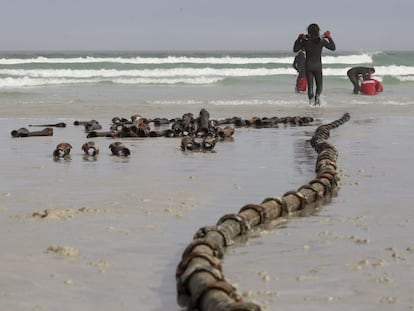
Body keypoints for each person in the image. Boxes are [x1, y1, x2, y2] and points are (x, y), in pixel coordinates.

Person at [293, 23, 336, 105]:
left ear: (308, 31)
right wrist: (329, 37)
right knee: (319, 86)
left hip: (308, 66)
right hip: (317, 66)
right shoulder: (321, 41)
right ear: (318, 31)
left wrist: (298, 39)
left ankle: (311, 104)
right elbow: (333, 48)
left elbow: (295, 49)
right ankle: (317, 98)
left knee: (310, 87)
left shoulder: (305, 41)